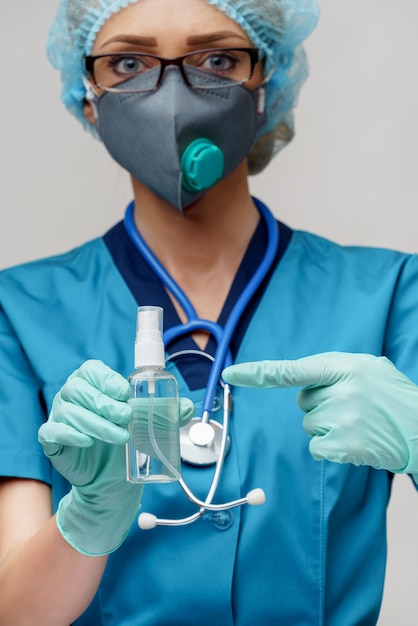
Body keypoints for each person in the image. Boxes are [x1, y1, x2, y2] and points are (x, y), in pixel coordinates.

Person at [0, 0, 417, 624]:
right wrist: (84, 523)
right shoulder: (17, 312)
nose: (171, 95)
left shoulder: (390, 293)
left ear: (264, 85)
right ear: (89, 96)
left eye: (218, 59)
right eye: (129, 63)